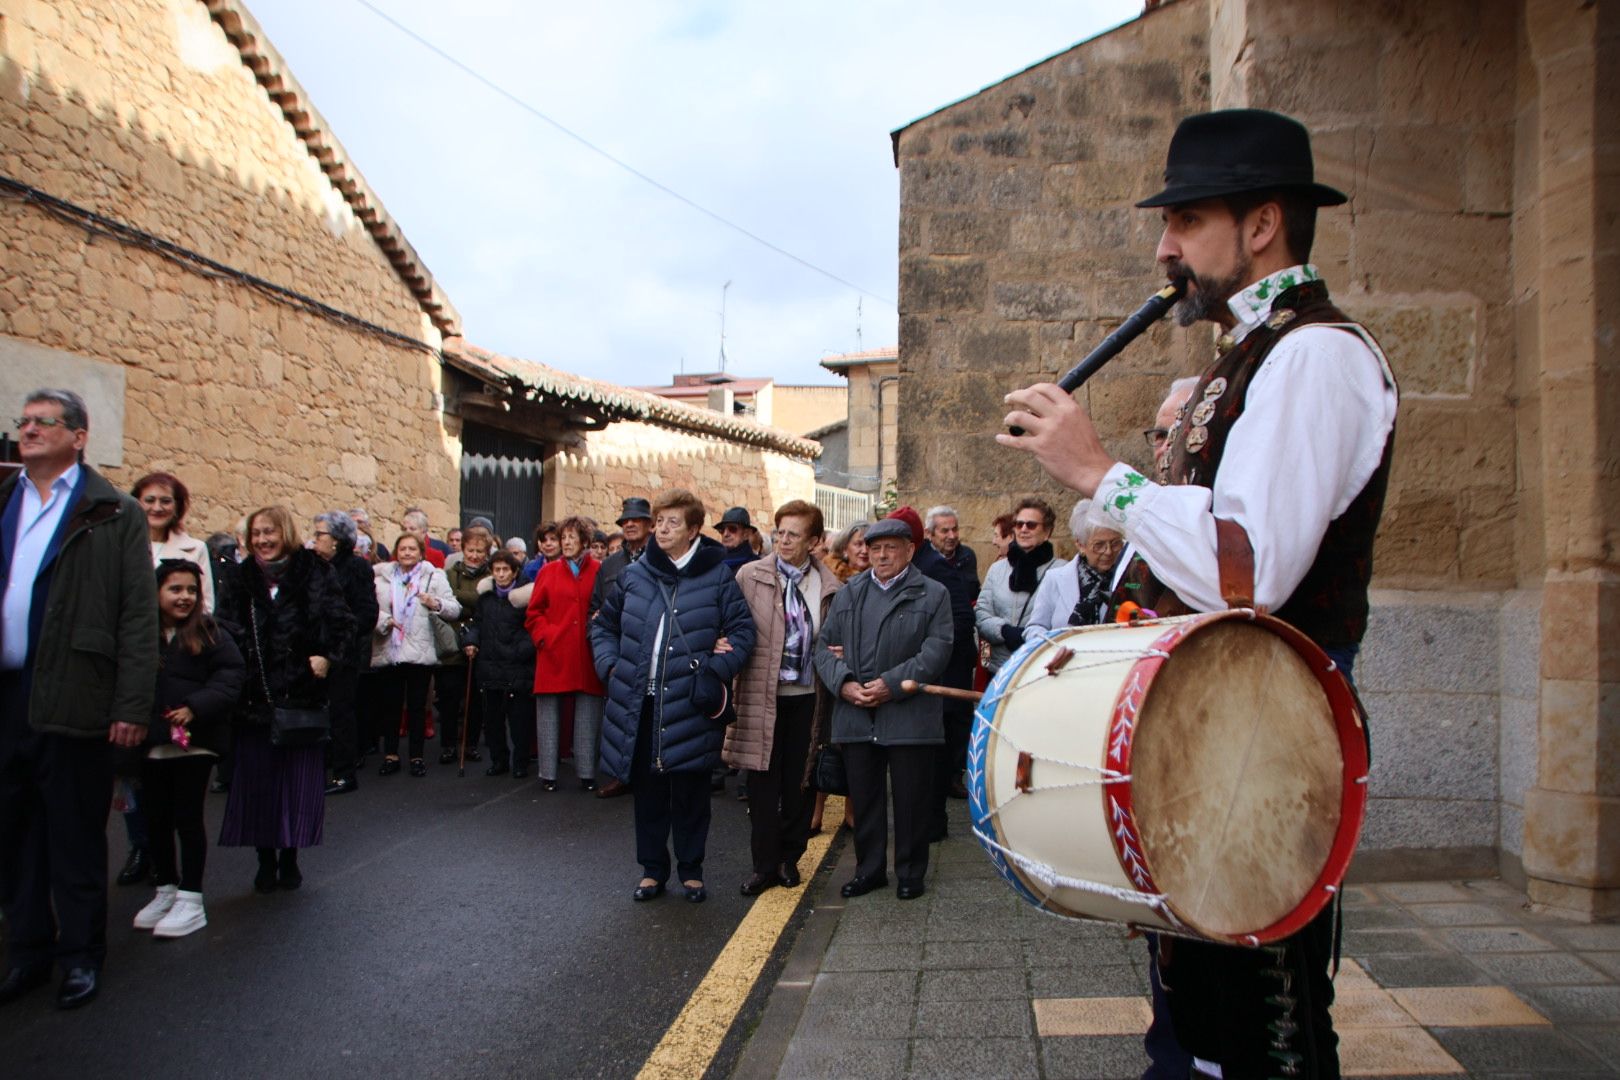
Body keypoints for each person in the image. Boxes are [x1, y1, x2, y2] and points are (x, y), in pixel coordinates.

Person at [999, 107, 1397, 1080]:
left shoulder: (1315, 354)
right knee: (1198, 1010)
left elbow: (1250, 570)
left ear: (1261, 226)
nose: (1164, 247)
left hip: (1267, 733)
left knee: (1264, 1025)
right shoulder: (1256, 352)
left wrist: (1102, 472)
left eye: (1185, 222)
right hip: (1226, 724)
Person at [0, 389, 158, 1010]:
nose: (29, 429)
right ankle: (28, 953)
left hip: (76, 697)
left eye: (44, 422)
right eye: (24, 421)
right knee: (14, 836)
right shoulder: (6, 500)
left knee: (73, 836)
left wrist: (129, 707)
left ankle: (80, 957)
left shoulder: (112, 512)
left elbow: (136, 620)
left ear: (79, 435)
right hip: (8, 698)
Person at [590, 490, 755, 903]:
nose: (662, 529)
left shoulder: (717, 576)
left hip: (690, 702)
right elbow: (602, 626)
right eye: (659, 521)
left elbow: (743, 634)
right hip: (639, 703)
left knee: (691, 792)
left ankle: (692, 870)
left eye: (672, 523)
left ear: (694, 530)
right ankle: (652, 870)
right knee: (647, 791)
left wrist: (716, 668)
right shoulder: (635, 574)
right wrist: (610, 667)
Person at [218, 506, 353, 895]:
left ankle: (290, 857)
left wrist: (327, 657)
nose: (262, 540)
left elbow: (344, 623)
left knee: (295, 785)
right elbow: (225, 629)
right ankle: (264, 860)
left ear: (286, 533)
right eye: (256, 533)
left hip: (300, 696)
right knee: (258, 785)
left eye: (269, 532)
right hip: (254, 697)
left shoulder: (314, 571)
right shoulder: (240, 577)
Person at [814, 517, 951, 901]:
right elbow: (824, 648)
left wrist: (891, 686)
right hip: (857, 712)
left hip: (910, 714)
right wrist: (844, 683)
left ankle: (910, 872)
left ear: (910, 550)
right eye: (875, 548)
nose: (882, 554)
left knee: (911, 800)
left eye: (892, 547)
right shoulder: (850, 592)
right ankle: (869, 870)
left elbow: (937, 650)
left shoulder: (933, 593)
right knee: (866, 797)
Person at [724, 500, 842, 897]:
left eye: (793, 534)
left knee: (800, 783)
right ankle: (763, 866)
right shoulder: (749, 575)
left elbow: (835, 639)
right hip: (762, 693)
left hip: (809, 697)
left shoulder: (830, 586)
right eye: (779, 532)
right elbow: (732, 623)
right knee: (761, 783)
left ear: (814, 541)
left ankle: (790, 858)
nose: (783, 540)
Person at [132, 560, 244, 938]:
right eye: (175, 589)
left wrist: (195, 706)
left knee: (187, 817)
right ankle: (166, 887)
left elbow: (231, 676)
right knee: (156, 818)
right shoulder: (140, 632)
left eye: (191, 590)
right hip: (153, 741)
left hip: (195, 743)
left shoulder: (210, 632)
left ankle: (191, 897)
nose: (184, 597)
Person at [369, 533, 460, 778]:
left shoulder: (433, 576)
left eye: (412, 549)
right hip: (390, 648)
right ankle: (391, 755)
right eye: (402, 549)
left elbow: (454, 608)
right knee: (391, 706)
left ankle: (416, 756)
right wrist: (384, 620)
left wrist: (436, 603)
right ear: (395, 552)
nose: (407, 553)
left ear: (421, 552)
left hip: (420, 650)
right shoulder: (382, 579)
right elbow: (370, 609)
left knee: (418, 707)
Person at [525, 516, 604, 791]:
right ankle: (548, 774)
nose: (566, 542)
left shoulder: (598, 570)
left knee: (588, 712)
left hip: (585, 652)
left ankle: (586, 773)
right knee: (548, 712)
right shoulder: (547, 572)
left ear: (585, 542)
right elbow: (533, 613)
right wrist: (545, 637)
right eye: (563, 537)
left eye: (572, 537)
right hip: (553, 652)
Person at [312, 511, 378, 795]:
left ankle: (344, 773)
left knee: (341, 711)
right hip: (313, 652)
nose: (315, 540)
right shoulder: (312, 568)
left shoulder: (356, 568)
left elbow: (367, 613)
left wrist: (339, 644)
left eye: (319, 535)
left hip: (343, 653)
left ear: (337, 540)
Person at [921, 505, 980, 807]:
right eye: (945, 530)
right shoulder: (928, 563)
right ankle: (942, 777)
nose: (952, 536)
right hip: (940, 649)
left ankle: (956, 773)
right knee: (943, 715)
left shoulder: (967, 557)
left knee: (960, 715)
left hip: (961, 650)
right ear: (929, 533)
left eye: (955, 529)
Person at [466, 551, 535, 778]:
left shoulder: (524, 598)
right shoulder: (486, 599)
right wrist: (471, 641)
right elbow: (477, 623)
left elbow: (532, 628)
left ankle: (520, 761)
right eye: (497, 570)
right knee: (492, 719)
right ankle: (499, 760)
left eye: (506, 569)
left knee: (519, 721)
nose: (501, 574)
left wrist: (520, 651)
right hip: (490, 665)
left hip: (517, 666)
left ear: (515, 572)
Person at [974, 497, 1057, 675]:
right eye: (1019, 525)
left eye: (1031, 525)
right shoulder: (997, 569)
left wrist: (1032, 636)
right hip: (1000, 669)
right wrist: (1003, 630)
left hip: (1040, 667)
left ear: (1047, 531)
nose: (1024, 529)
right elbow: (981, 613)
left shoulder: (1061, 571)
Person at [440, 525, 495, 767]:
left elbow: (483, 602)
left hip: (480, 643)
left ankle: (470, 744)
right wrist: (468, 599)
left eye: (479, 551)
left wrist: (461, 596)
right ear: (463, 550)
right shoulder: (450, 573)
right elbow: (448, 601)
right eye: (470, 550)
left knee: (475, 699)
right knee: (449, 698)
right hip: (453, 643)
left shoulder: (491, 576)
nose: (474, 555)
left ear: (486, 553)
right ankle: (448, 745)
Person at [1027, 500, 1124, 632]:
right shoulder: (1055, 578)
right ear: (1080, 545)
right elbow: (1036, 626)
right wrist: (1053, 646)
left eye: (1115, 543)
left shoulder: (1129, 577)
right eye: (1099, 545)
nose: (1108, 551)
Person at [716, 506, 760, 572]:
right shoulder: (714, 562)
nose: (725, 534)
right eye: (722, 530)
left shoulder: (757, 566)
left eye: (732, 529)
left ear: (746, 534)